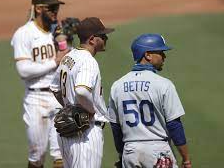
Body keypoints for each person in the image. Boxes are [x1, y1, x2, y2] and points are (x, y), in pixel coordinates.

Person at [108, 34, 192, 168]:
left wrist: (121, 154)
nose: (164, 56)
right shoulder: (164, 84)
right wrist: (186, 159)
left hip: (130, 152)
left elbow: (115, 127)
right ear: (147, 55)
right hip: (158, 151)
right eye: (160, 52)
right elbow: (174, 125)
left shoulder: (117, 86)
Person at [10, 0, 69, 168]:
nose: (55, 11)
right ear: (38, 9)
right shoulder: (24, 34)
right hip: (36, 100)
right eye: (50, 8)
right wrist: (54, 62)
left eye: (56, 8)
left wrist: (67, 42)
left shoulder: (57, 32)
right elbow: (23, 70)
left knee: (61, 154)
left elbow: (66, 58)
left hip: (59, 97)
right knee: (37, 154)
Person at [51, 17, 115, 168]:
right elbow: (81, 90)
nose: (106, 38)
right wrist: (91, 111)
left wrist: (69, 107)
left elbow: (54, 88)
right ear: (92, 39)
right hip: (86, 134)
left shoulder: (68, 56)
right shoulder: (88, 61)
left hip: (68, 134)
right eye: (103, 36)